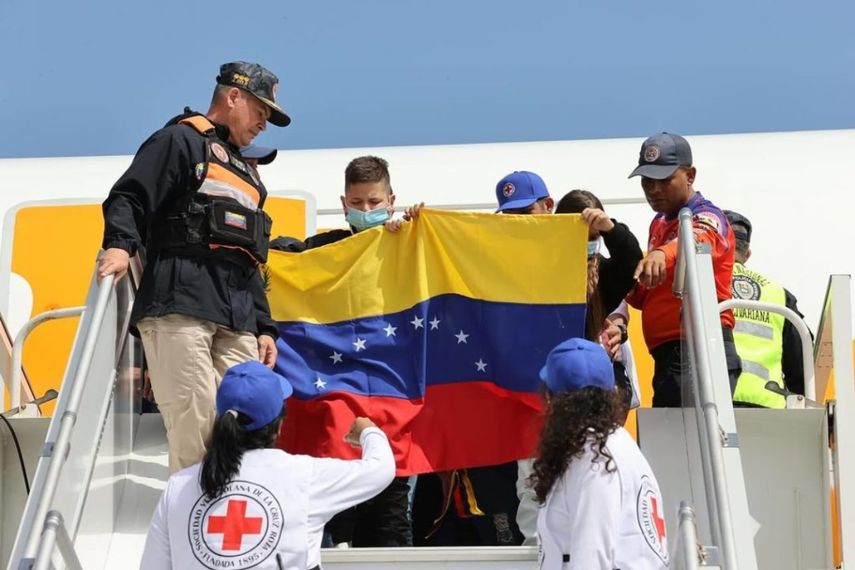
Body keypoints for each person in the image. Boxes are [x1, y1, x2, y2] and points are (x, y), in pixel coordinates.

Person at [98, 61, 289, 472]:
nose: (263, 125)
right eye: (260, 112)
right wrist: (118, 246)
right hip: (179, 305)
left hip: (236, 317)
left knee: (250, 430)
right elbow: (128, 197)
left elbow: (248, 259)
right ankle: (193, 529)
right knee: (197, 428)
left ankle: (238, 526)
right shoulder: (179, 141)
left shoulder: (249, 178)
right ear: (233, 96)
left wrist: (264, 325)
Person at [272, 155, 418, 547]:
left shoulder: (409, 244)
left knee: (389, 524)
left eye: (374, 202)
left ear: (392, 200)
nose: (366, 211)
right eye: (358, 204)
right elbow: (281, 258)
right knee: (337, 530)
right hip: (335, 410)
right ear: (343, 203)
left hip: (393, 405)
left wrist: (416, 234)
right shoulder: (323, 249)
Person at [139, 360, 395, 570]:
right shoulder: (305, 476)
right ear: (278, 426)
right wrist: (368, 432)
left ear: (220, 416)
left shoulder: (179, 485)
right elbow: (381, 469)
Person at [531, 338, 669, 570]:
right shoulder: (616, 443)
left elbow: (592, 556)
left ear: (553, 399)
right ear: (611, 393)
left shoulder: (595, 458)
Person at [626, 132, 741, 407]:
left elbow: (700, 237)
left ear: (690, 175)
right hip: (669, 356)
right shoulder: (659, 224)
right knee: (672, 444)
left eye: (664, 180)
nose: (653, 189)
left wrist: (660, 253)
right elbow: (646, 296)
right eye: (647, 181)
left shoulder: (707, 215)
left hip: (698, 349)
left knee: (681, 444)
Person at [725, 210, 811, 407]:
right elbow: (800, 363)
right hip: (767, 407)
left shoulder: (700, 286)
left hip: (713, 405)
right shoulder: (779, 294)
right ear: (747, 254)